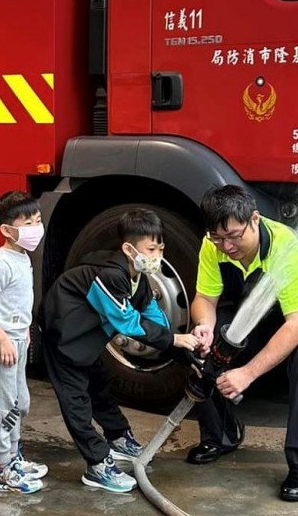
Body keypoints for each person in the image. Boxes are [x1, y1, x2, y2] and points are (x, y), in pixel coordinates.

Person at [188, 184, 298, 502]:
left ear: (254, 219)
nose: (226, 245)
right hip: (269, 318)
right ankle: (221, 436)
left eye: (234, 236)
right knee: (204, 342)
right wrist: (204, 328)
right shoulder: (214, 245)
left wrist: (246, 374)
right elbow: (205, 298)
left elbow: (297, 327)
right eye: (218, 238)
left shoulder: (289, 251)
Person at [41, 208, 198, 494]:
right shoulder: (110, 276)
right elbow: (128, 322)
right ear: (128, 248)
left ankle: (117, 437)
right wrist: (174, 342)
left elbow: (151, 312)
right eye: (151, 248)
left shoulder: (138, 276)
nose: (157, 254)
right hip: (65, 336)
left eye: (161, 248)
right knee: (76, 401)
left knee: (99, 386)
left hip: (88, 337)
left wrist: (178, 342)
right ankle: (97, 464)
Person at [0, 190, 49, 494]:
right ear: (7, 229)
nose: (36, 228)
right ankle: (2, 468)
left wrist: (25, 329)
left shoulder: (21, 256)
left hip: (17, 340)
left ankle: (13, 455)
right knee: (4, 407)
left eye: (38, 220)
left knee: (20, 402)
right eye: (27, 222)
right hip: (3, 345)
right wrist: (2, 338)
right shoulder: (2, 262)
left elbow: (16, 300)